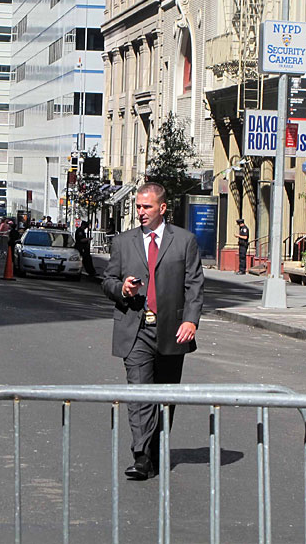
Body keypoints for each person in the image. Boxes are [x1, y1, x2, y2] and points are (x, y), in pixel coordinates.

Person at [102, 182, 204, 480]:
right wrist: (122, 288)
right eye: (138, 206)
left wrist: (191, 320)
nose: (141, 212)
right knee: (139, 393)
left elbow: (194, 285)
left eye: (146, 207)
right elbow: (107, 281)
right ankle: (141, 456)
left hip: (172, 330)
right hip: (135, 329)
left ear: (162, 208)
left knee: (165, 395)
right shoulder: (123, 242)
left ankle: (157, 449)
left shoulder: (184, 241)